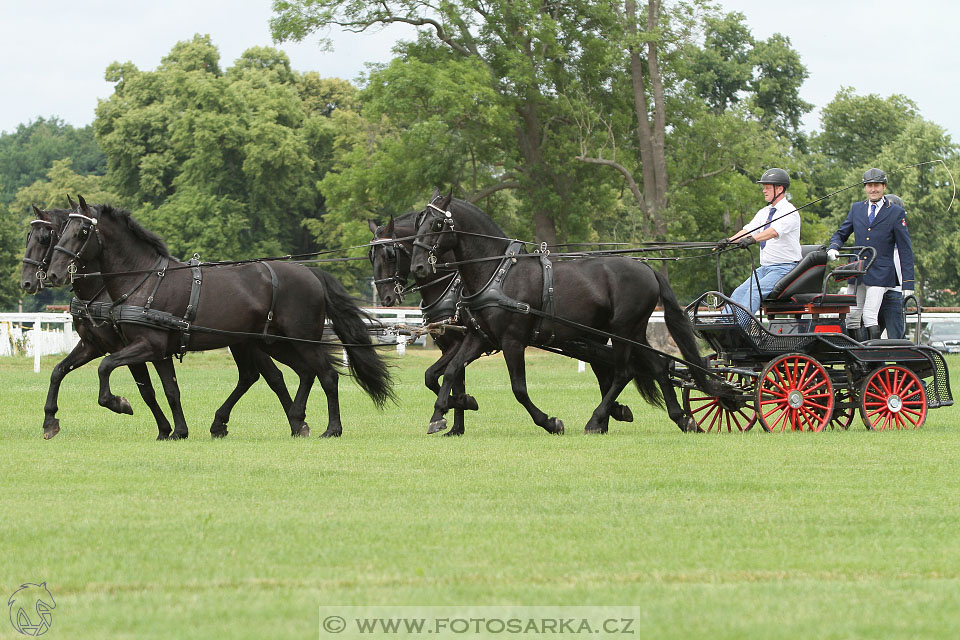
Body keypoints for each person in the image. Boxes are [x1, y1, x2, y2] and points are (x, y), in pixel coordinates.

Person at [827, 169, 914, 341]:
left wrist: (908, 282)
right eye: (869, 186)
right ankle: (855, 354)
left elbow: (905, 249)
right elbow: (842, 232)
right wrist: (834, 247)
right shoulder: (857, 208)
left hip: (881, 271)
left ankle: (871, 356)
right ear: (865, 187)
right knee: (852, 316)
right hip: (858, 270)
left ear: (884, 187)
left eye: (876, 186)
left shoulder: (896, 212)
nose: (873, 189)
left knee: (869, 315)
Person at [723, 168, 801, 317]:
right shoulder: (764, 212)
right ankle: (724, 323)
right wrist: (729, 241)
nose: (764, 191)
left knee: (754, 293)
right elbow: (749, 230)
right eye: (763, 187)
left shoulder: (789, 211)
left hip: (784, 268)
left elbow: (772, 232)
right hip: (765, 268)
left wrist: (752, 240)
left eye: (767, 187)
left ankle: (737, 327)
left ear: (779, 188)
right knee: (739, 292)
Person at [877, 194, 907, 339]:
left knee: (896, 338)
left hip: (893, 293)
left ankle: (900, 361)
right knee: (867, 336)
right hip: (875, 293)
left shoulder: (899, 241)